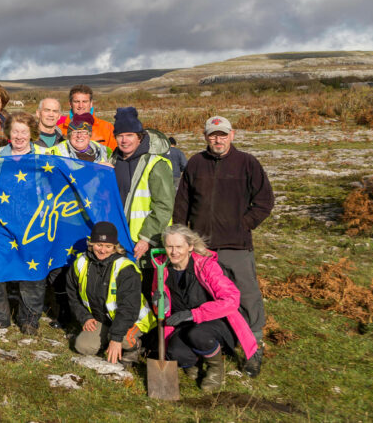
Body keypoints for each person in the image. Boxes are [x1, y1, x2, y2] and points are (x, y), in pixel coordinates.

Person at [173, 115, 274, 377]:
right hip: (201, 248)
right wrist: (183, 236)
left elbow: (264, 201)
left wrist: (243, 224)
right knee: (205, 295)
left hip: (236, 245)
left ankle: (254, 347)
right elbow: (182, 203)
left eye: (222, 134)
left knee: (247, 294)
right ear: (205, 137)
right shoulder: (196, 163)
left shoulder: (247, 163)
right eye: (212, 135)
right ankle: (211, 343)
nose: (217, 139)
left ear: (232, 135)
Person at [155, 225, 260, 391]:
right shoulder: (162, 267)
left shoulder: (206, 266)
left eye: (179, 247)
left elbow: (232, 299)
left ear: (190, 246)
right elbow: (161, 300)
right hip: (184, 323)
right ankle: (196, 361)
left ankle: (215, 369)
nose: (174, 252)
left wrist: (193, 314)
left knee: (197, 334)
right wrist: (160, 302)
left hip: (216, 323)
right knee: (175, 353)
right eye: (169, 246)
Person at [0, 113, 47, 334]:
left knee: (31, 271)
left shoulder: (43, 155)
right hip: (0, 221)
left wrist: (101, 166)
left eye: (24, 131)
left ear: (31, 133)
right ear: (9, 133)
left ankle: (29, 319)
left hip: (33, 222)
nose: (20, 136)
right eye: (15, 131)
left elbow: (66, 174)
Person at [67, 222, 156, 365]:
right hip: (103, 319)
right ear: (91, 244)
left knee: (125, 339)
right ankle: (107, 339)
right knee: (82, 346)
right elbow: (72, 295)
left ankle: (134, 347)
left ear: (115, 247)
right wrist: (85, 317)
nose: (103, 250)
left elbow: (129, 308)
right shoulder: (80, 263)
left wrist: (116, 338)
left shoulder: (125, 268)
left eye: (108, 246)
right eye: (99, 245)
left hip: (133, 319)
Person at [111, 107, 174, 263]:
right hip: (118, 241)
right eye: (120, 136)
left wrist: (146, 238)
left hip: (146, 243)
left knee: (144, 286)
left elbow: (164, 206)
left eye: (129, 135)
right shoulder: (112, 161)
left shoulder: (156, 164)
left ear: (140, 137)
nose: (124, 140)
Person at [57, 85, 117, 151]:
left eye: (84, 101)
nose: (81, 106)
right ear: (70, 104)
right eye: (76, 102)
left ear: (91, 103)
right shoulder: (59, 130)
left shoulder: (107, 128)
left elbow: (113, 156)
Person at [46, 113, 111, 164]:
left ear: (89, 135)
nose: (79, 135)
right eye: (75, 132)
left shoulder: (105, 151)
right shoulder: (55, 152)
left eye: (84, 132)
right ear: (69, 135)